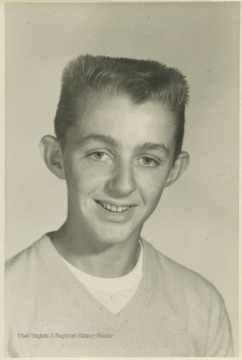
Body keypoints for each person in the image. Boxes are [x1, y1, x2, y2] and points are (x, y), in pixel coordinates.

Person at [5, 55, 233, 357]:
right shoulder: (8, 299)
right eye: (99, 154)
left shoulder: (201, 306)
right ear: (56, 157)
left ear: (173, 171)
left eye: (147, 160)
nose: (123, 184)